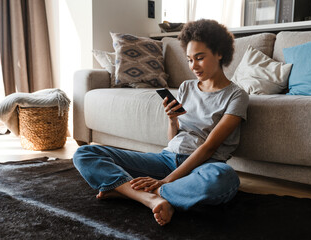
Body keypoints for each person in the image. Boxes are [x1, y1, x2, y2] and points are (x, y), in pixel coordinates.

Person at [73, 19, 249, 226]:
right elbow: (173, 140)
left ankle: (128, 191)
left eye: (199, 58)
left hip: (202, 166)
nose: (194, 66)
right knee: (86, 153)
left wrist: (165, 181)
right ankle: (149, 198)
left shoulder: (236, 96)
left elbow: (209, 148)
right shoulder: (186, 87)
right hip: (167, 159)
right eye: (190, 60)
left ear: (220, 53)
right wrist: (172, 121)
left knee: (225, 178)